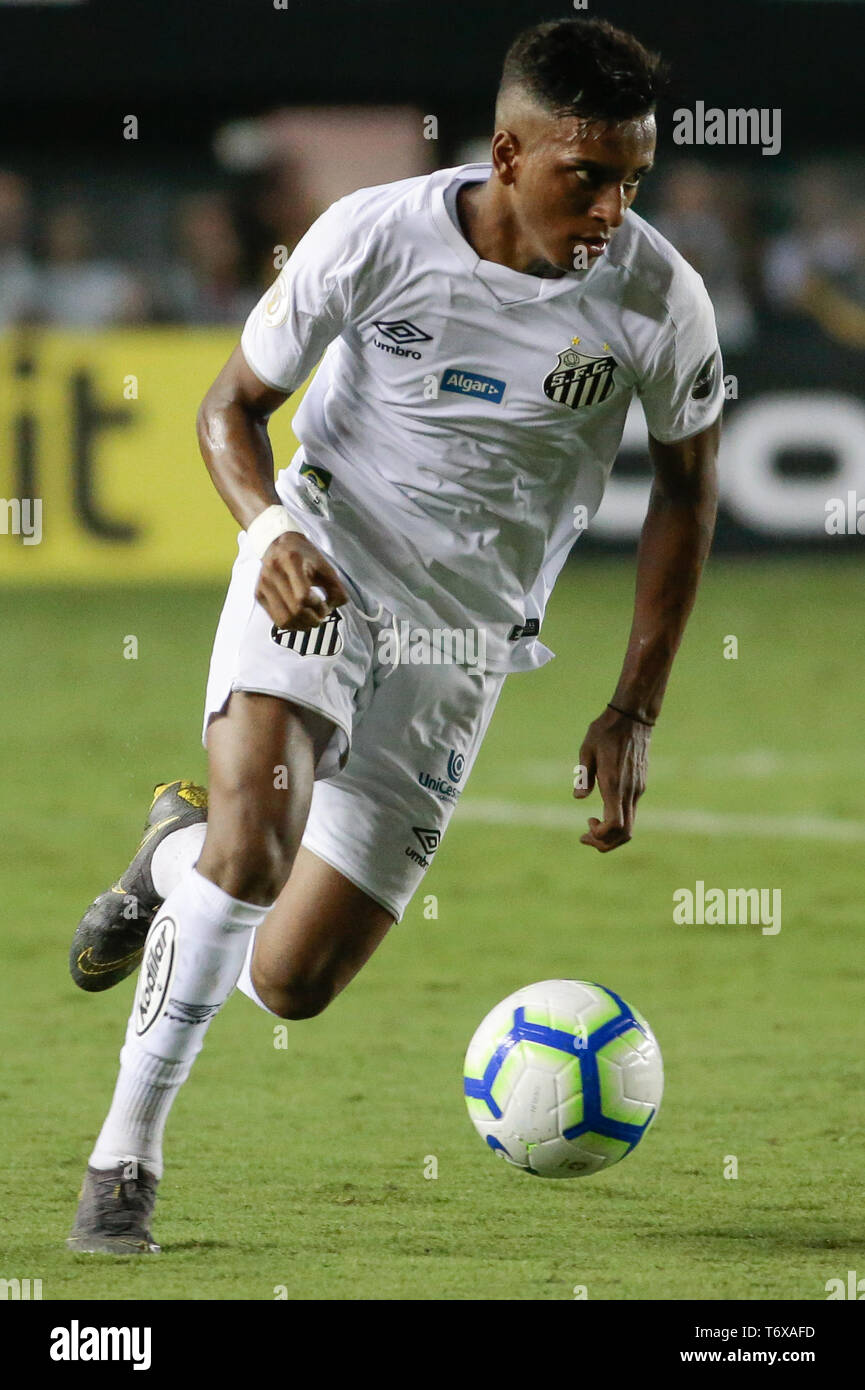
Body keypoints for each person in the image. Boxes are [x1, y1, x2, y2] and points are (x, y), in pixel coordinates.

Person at [67, 16, 723, 1254]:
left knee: (290, 981)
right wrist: (268, 536)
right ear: (509, 150)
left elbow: (688, 491)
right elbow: (231, 410)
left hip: (466, 641)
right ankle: (123, 1165)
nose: (609, 207)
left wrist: (633, 704)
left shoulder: (655, 295)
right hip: (325, 570)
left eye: (631, 179)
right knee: (254, 854)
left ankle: (166, 857)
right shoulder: (376, 235)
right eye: (586, 175)